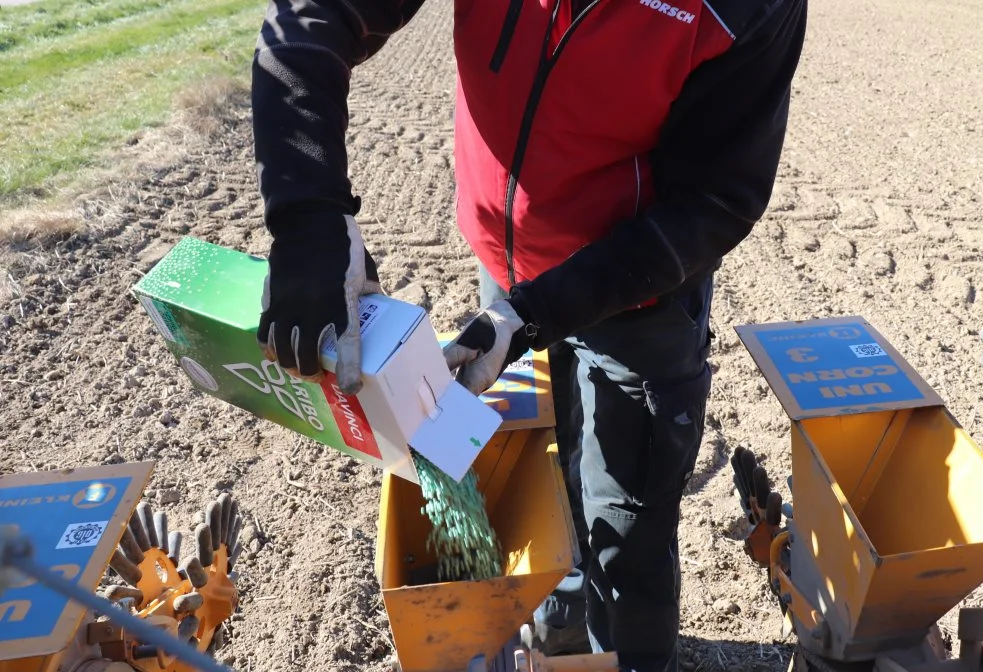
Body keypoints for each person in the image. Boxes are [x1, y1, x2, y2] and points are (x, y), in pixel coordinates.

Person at [250, 0, 808, 668]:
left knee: (625, 529)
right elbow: (314, 16)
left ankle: (628, 652)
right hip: (506, 271)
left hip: (637, 300)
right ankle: (562, 618)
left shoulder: (743, 9)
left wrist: (533, 314)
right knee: (539, 476)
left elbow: (712, 203)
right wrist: (308, 213)